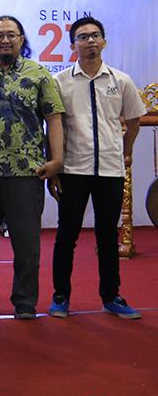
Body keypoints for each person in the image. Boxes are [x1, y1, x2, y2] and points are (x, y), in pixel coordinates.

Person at [0, 15, 64, 321]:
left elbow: (54, 118)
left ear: (22, 39)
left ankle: (24, 300)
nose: (4, 40)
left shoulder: (40, 74)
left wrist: (56, 160)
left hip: (27, 171)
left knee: (27, 244)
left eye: (11, 35)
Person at [50, 16, 147, 320]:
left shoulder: (121, 80)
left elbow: (133, 120)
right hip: (72, 170)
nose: (90, 41)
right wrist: (54, 165)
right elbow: (52, 126)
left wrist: (125, 150)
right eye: (83, 37)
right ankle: (61, 297)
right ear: (72, 45)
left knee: (107, 236)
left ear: (104, 41)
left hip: (109, 170)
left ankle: (112, 296)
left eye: (95, 36)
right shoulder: (60, 82)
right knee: (67, 235)